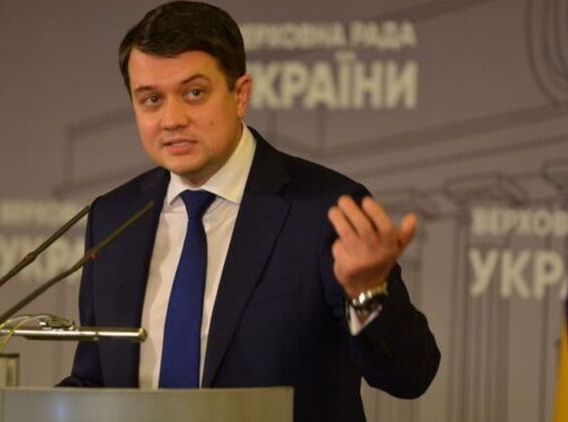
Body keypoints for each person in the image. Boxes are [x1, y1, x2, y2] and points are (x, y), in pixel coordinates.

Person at [58, 2, 440, 421]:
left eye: (194, 93)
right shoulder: (114, 218)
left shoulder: (324, 210)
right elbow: (96, 382)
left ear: (240, 95)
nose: (172, 119)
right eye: (151, 99)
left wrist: (367, 292)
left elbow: (410, 376)